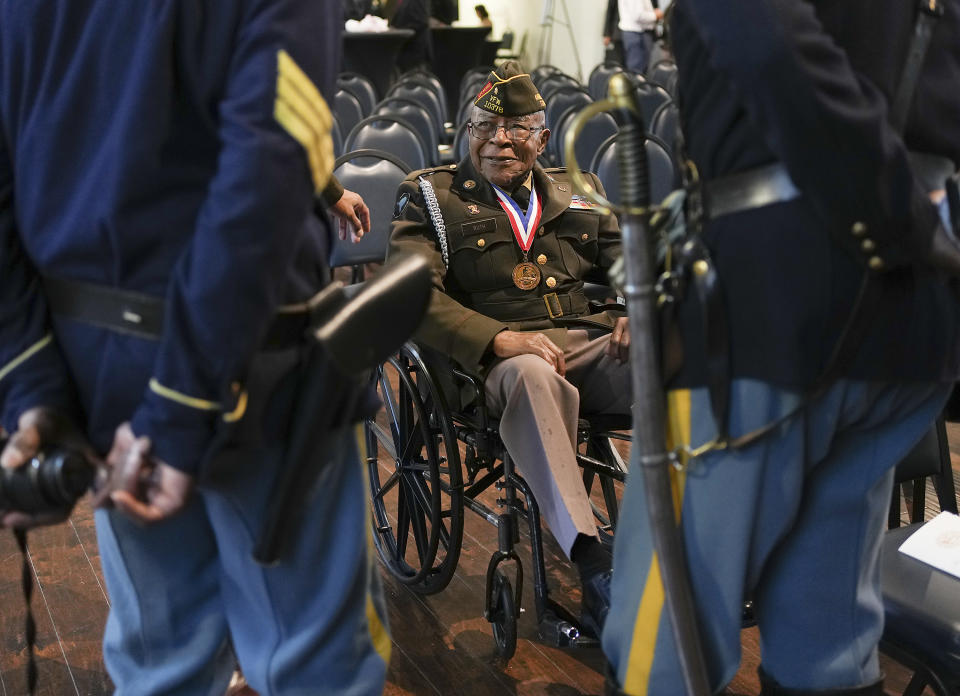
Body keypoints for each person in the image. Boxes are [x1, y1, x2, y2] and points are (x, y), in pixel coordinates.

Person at [0, 2, 389, 695]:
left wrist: (33, 382)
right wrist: (181, 403)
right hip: (250, 375)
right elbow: (267, 174)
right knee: (314, 668)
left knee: (162, 665)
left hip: (100, 384)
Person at [602, 0, 960, 694]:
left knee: (668, 643)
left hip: (766, 298)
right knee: (828, 644)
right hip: (915, 307)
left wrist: (893, 208)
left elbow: (763, 40)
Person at [388, 60, 631, 636]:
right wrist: (496, 337)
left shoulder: (580, 192)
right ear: (466, 132)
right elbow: (413, 296)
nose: (501, 139)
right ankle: (594, 566)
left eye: (518, 128)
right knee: (531, 373)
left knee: (676, 351)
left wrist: (636, 308)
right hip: (488, 364)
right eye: (485, 127)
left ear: (542, 139)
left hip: (587, 344)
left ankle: (677, 535)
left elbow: (635, 263)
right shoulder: (430, 195)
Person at [608, 0, 663, 74]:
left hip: (640, 33)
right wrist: (655, 15)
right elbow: (637, 16)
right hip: (636, 33)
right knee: (636, 71)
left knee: (640, 70)